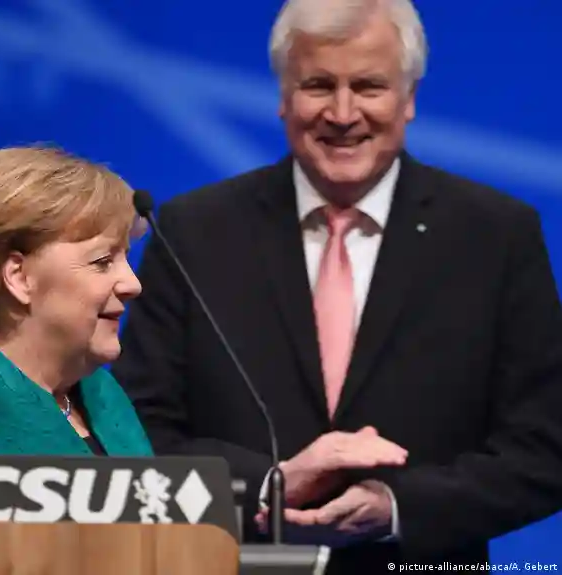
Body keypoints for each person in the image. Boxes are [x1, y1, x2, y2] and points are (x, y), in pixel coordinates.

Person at [111, 0, 562, 570]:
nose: (343, 113)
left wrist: (397, 507)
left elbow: (545, 448)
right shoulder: (193, 232)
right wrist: (269, 487)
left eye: (369, 86)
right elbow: (136, 430)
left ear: (409, 98)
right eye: (319, 85)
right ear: (283, 97)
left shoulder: (494, 236)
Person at [0, 146, 152, 457]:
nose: (133, 285)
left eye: (126, 257)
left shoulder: (104, 394)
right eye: (103, 261)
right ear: (20, 277)